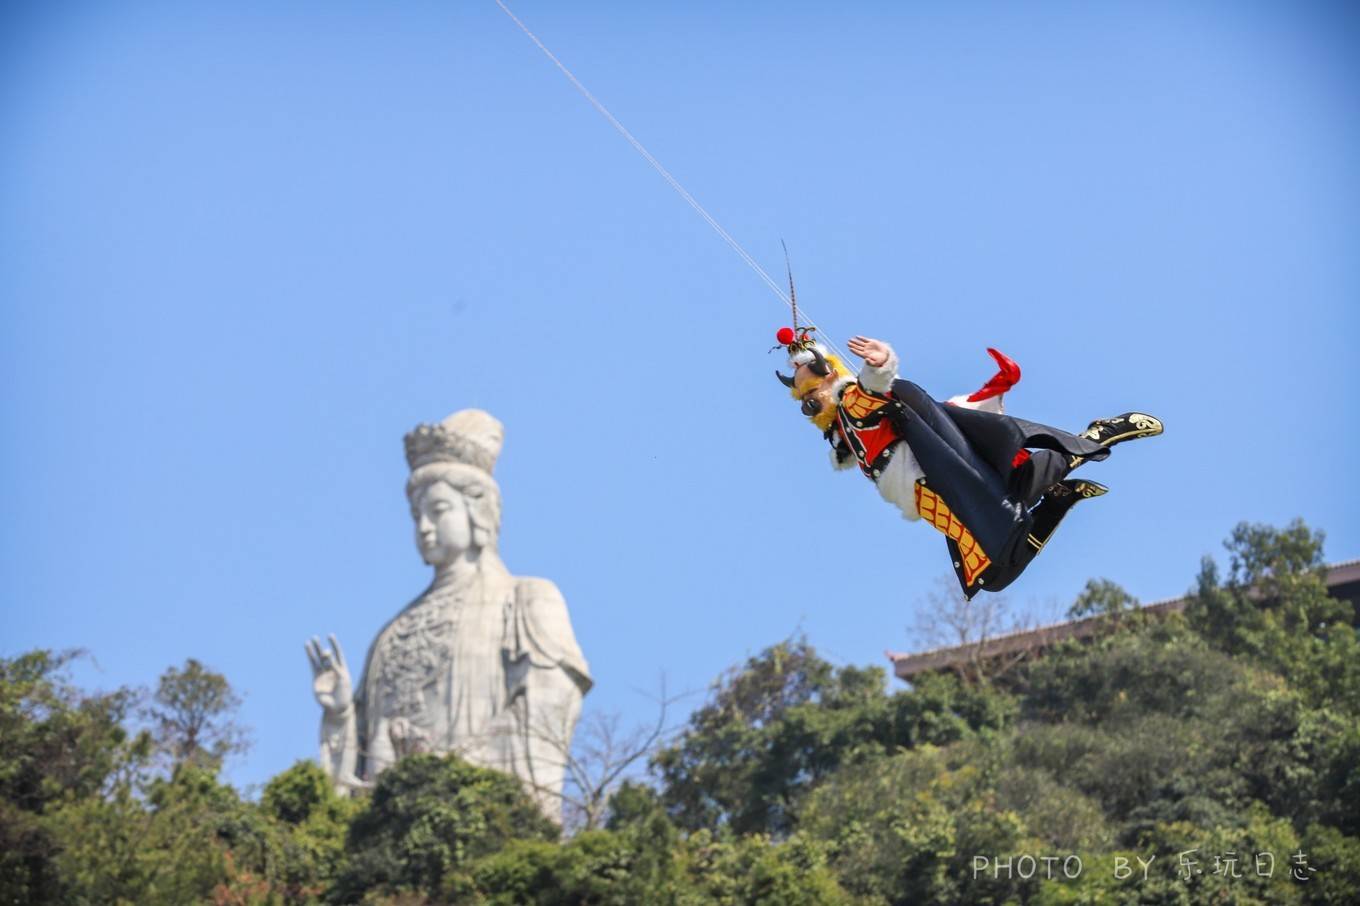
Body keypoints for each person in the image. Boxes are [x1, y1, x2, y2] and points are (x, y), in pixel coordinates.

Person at [306, 409, 592, 821]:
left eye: (438, 511)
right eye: (416, 516)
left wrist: (439, 766)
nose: (424, 527)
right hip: (390, 836)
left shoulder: (526, 599)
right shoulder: (391, 634)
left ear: (479, 512)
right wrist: (341, 717)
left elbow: (547, 716)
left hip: (484, 818)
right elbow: (359, 771)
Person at [775, 329, 1162, 596]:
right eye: (805, 401)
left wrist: (879, 364)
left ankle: (1094, 438)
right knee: (991, 575)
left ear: (832, 379)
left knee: (1013, 505)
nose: (811, 405)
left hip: (940, 479)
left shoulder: (852, 410)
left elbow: (871, 391)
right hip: (933, 492)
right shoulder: (845, 440)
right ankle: (1058, 496)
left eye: (813, 392)